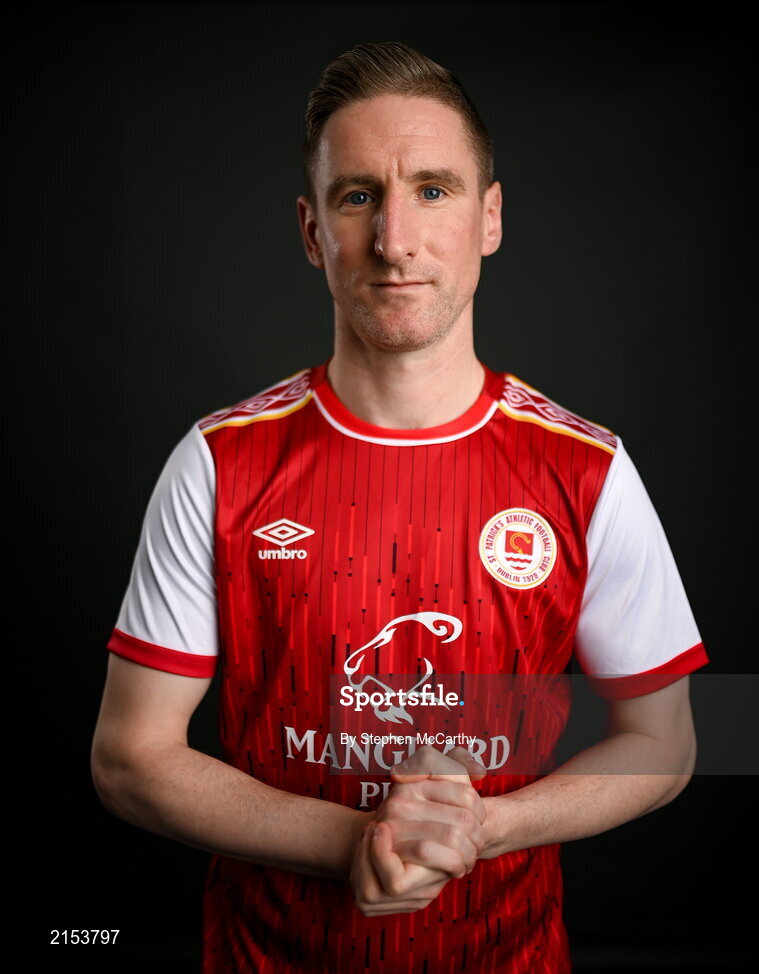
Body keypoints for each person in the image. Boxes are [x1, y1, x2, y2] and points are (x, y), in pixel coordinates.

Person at [91, 41, 708, 973]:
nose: (394, 241)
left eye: (432, 189)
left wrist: (485, 828)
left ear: (489, 217)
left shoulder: (586, 470)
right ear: (310, 231)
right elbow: (129, 757)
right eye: (356, 197)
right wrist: (350, 845)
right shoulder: (219, 462)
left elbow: (667, 739)